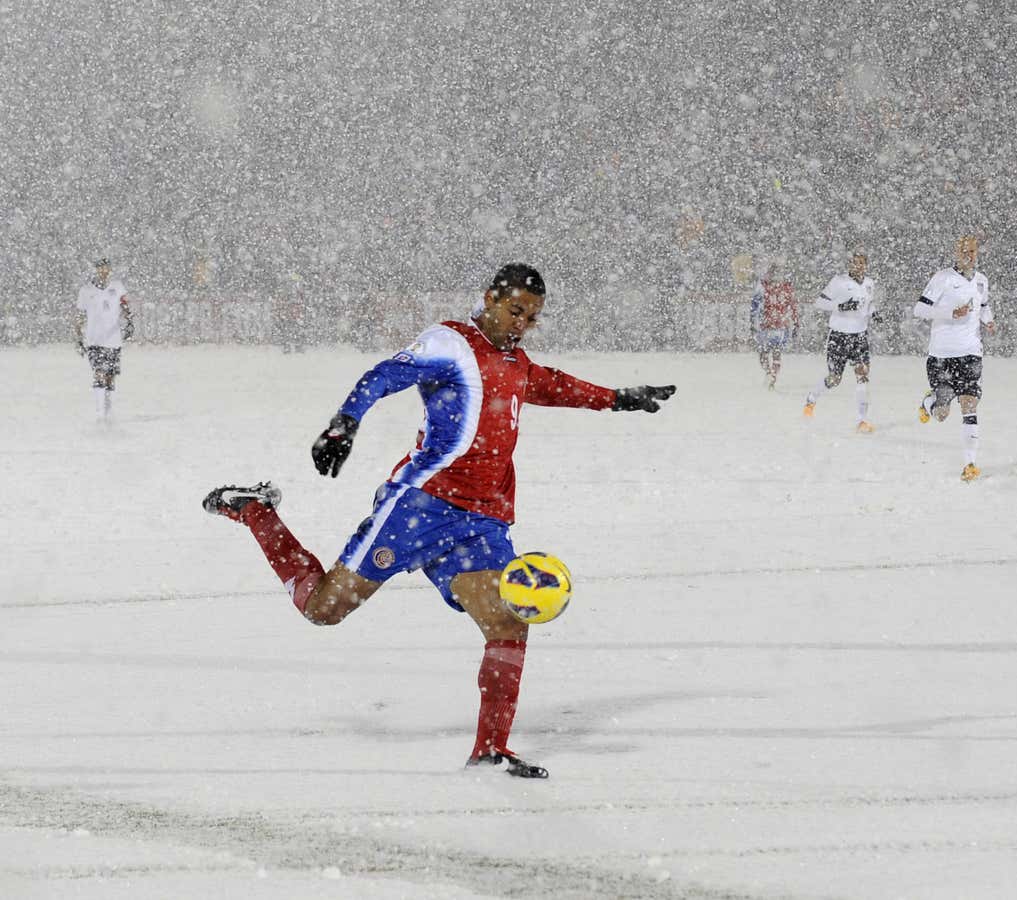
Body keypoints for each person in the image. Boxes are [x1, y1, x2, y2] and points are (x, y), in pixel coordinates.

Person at [202, 263, 676, 779]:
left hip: (482, 520)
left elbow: (551, 385)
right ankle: (254, 511)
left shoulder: (515, 361)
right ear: (490, 298)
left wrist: (618, 399)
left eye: (533, 317)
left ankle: (490, 751)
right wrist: (345, 423)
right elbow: (385, 375)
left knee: (507, 621)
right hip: (420, 507)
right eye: (515, 310)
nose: (522, 324)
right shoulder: (451, 342)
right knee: (323, 610)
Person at [914, 234, 995, 481]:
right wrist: (950, 312)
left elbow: (983, 306)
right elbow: (920, 309)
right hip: (942, 354)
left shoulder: (982, 281)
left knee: (970, 404)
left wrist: (988, 320)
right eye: (964, 251)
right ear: (956, 252)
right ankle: (932, 402)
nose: (969, 255)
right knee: (942, 414)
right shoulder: (943, 278)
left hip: (971, 352)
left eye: (973, 251)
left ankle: (970, 464)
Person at [803, 249, 877, 432]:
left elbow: (868, 304)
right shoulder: (839, 282)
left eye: (862, 262)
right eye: (855, 262)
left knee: (863, 374)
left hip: (860, 336)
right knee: (835, 379)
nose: (859, 266)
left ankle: (862, 420)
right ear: (849, 264)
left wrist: (874, 313)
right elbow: (819, 302)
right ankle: (811, 399)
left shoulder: (869, 283)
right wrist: (840, 306)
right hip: (839, 336)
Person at [74, 257, 135, 422]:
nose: (103, 271)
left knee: (110, 377)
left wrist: (129, 322)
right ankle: (99, 413)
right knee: (99, 373)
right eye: (100, 268)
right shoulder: (86, 291)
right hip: (95, 340)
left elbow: (125, 306)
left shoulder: (117, 287)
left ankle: (108, 409)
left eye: (106, 268)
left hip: (113, 340)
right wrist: (79, 338)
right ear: (95, 270)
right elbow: (79, 316)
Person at [750, 262, 799, 389]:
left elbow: (754, 306)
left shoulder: (764, 287)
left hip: (770, 324)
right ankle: (772, 374)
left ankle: (769, 373)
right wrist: (795, 322)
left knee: (765, 352)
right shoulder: (785, 287)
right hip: (777, 324)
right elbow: (793, 307)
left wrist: (752, 322)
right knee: (774, 352)